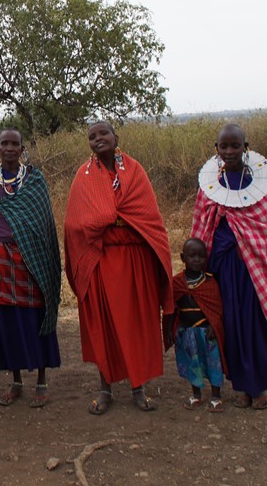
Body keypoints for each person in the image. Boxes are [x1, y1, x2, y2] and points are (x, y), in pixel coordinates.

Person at [63, 121, 174, 415]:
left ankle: (138, 387)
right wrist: (107, 217)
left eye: (103, 134)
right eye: (92, 136)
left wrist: (109, 217)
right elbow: (76, 223)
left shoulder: (135, 171)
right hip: (100, 260)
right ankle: (105, 388)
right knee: (103, 325)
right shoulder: (83, 176)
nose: (98, 139)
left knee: (136, 323)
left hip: (134, 261)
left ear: (116, 137)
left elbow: (149, 216)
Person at [191, 123, 267, 410]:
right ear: (215, 149)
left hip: (252, 265)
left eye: (235, 146)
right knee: (230, 324)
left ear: (246, 147)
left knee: (253, 324)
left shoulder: (261, 182)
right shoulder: (209, 185)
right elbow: (201, 224)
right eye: (224, 146)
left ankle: (258, 389)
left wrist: (246, 239)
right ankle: (242, 388)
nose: (229, 151)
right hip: (223, 265)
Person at [0, 128, 62, 408]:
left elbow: (44, 223)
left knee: (36, 316)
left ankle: (41, 380)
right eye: (4, 144)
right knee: (6, 320)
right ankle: (15, 381)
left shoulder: (34, 180)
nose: (9, 148)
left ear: (23, 148)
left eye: (15, 144)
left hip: (30, 259)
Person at [172, 238, 225, 413]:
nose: (197, 260)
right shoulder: (178, 283)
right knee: (192, 364)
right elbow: (172, 307)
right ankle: (196, 395)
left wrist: (213, 326)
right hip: (187, 333)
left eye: (201, 256)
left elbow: (216, 309)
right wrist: (175, 330)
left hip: (207, 333)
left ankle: (216, 397)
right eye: (192, 256)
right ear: (182, 257)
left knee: (213, 364)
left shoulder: (210, 283)